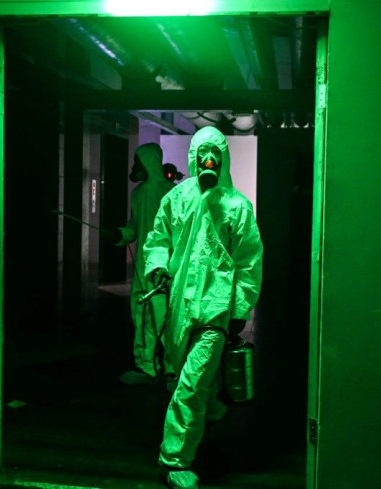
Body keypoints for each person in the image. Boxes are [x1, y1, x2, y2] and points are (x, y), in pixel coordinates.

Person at [143, 127, 263, 489]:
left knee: (190, 383)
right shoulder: (177, 198)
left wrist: (240, 309)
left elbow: (248, 261)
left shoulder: (237, 206)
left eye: (215, 153)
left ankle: (174, 459)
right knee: (186, 377)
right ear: (194, 157)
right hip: (180, 305)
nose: (208, 160)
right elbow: (158, 239)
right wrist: (158, 265)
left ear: (222, 157)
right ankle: (211, 410)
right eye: (203, 153)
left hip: (213, 309)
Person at [117, 142, 175, 384]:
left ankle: (172, 367)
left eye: (139, 162)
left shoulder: (171, 193)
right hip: (142, 268)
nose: (136, 167)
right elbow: (134, 225)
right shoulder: (138, 193)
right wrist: (123, 234)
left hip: (162, 268)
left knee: (164, 320)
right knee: (141, 318)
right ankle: (146, 365)